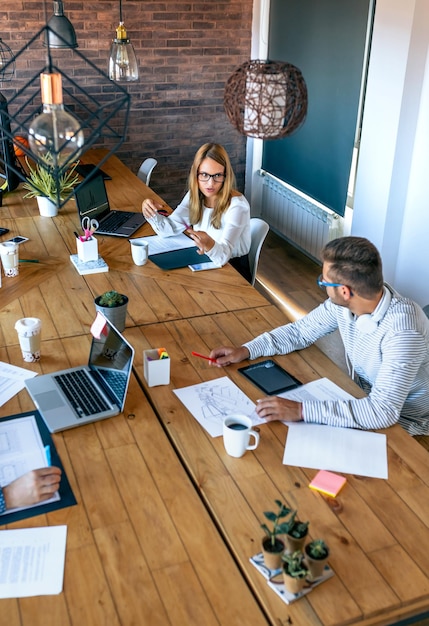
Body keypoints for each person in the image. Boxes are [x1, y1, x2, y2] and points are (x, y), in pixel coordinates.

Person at [209, 236, 429, 435]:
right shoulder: (346, 305)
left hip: (405, 420)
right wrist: (246, 350)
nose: (322, 285)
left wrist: (300, 410)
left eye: (324, 282)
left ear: (345, 291)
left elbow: (383, 411)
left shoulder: (404, 331)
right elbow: (299, 332)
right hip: (363, 398)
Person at [141, 143, 252, 280]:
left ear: (226, 176)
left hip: (233, 271)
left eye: (217, 175)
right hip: (204, 261)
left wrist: (209, 244)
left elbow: (223, 256)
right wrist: (150, 213)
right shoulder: (195, 196)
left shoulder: (237, 207)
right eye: (204, 175)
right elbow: (168, 230)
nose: (210, 184)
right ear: (196, 174)